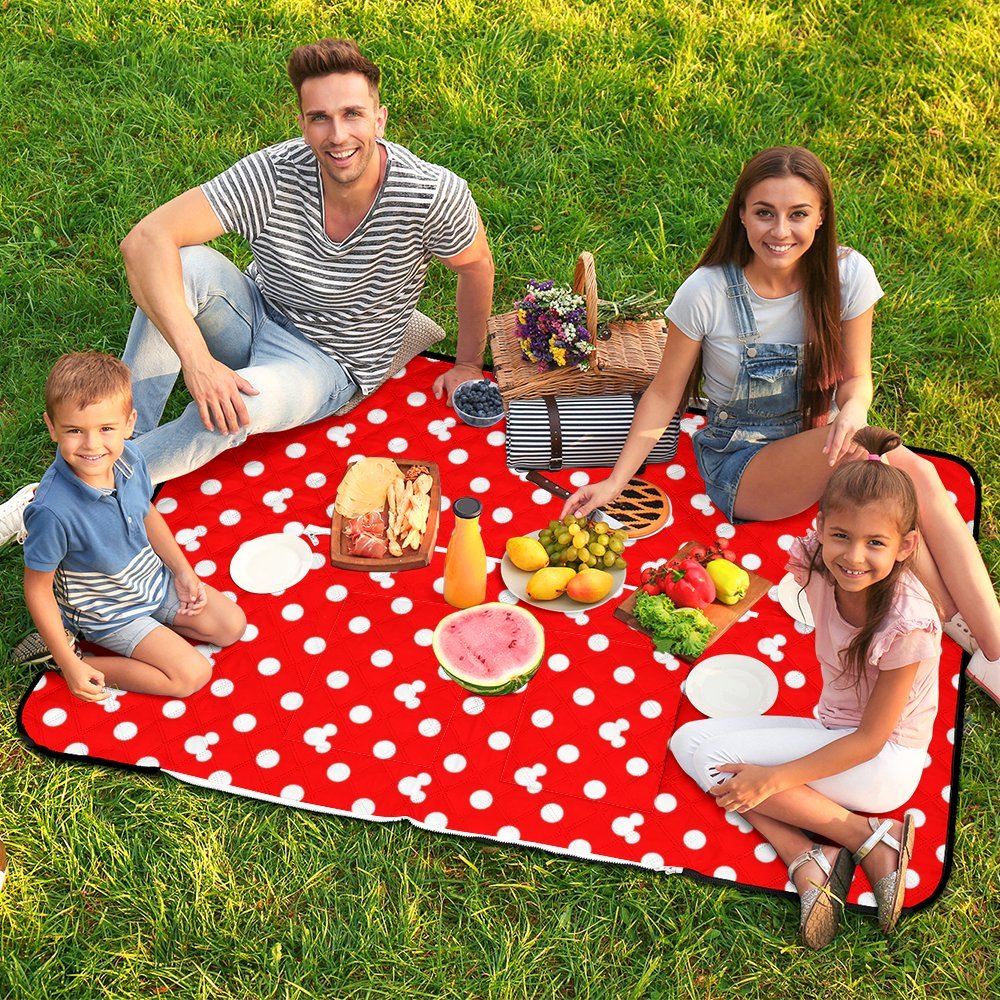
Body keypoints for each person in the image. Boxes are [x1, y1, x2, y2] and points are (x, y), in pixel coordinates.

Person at [561, 145, 1000, 704]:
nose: (780, 231)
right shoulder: (708, 293)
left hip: (825, 440)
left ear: (821, 216)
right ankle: (990, 647)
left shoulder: (848, 275)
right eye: (764, 212)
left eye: (798, 214)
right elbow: (664, 393)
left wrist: (855, 413)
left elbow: (856, 381)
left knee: (913, 482)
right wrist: (617, 480)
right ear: (741, 214)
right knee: (896, 469)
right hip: (744, 464)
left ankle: (978, 639)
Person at [117, 37, 494, 485]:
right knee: (183, 263)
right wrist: (197, 360)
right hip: (256, 309)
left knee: (226, 415)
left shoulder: (430, 194)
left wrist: (469, 364)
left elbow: (476, 266)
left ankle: (81, 486)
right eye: (320, 118)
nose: (337, 135)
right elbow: (143, 240)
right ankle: (119, 435)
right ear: (302, 124)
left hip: (328, 361)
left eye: (352, 114)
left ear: (380, 119)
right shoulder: (275, 171)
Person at [671, 428, 938, 948]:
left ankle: (865, 838)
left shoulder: (908, 626)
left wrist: (773, 779)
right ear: (820, 528)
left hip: (882, 761)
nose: (853, 556)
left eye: (876, 543)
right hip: (834, 729)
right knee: (687, 743)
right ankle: (811, 853)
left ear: (905, 547)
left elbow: (869, 740)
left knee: (717, 760)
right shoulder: (817, 555)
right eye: (841, 535)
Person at [15, 353, 246, 701]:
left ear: (128, 422)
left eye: (106, 428)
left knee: (231, 625)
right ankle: (77, 660)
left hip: (149, 580)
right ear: (51, 427)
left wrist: (182, 571)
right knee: (191, 675)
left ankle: (156, 625)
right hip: (108, 611)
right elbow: (37, 589)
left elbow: (146, 513)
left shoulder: (129, 459)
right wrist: (70, 662)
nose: (92, 445)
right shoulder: (52, 512)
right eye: (75, 430)